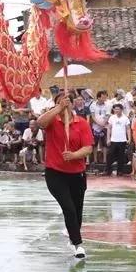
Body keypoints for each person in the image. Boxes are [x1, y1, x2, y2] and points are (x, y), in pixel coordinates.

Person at [37, 91, 94, 259]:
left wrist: (74, 155)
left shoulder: (81, 123)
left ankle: (72, 234)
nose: (64, 103)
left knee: (77, 210)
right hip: (55, 173)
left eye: (66, 101)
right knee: (68, 208)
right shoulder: (52, 121)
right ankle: (78, 245)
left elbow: (88, 148)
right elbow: (40, 123)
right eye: (60, 101)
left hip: (77, 173)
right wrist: (58, 108)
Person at [105, 103, 130, 176]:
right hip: (113, 140)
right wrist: (108, 139)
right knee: (110, 155)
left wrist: (129, 138)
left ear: (121, 110)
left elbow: (128, 129)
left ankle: (120, 171)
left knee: (121, 156)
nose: (116, 110)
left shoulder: (125, 118)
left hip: (122, 140)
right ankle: (108, 170)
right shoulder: (112, 117)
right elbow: (109, 128)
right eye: (115, 109)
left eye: (118, 109)